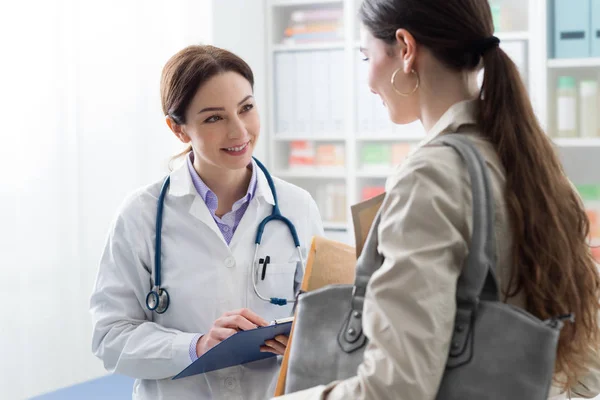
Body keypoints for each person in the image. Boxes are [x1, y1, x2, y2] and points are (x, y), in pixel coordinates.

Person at [275, 0, 600, 399]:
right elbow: (587, 356)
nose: (368, 80)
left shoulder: (432, 176)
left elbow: (395, 389)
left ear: (405, 48)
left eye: (366, 56)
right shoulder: (532, 162)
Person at [90, 45, 324, 400]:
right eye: (214, 118)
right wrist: (197, 346)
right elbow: (109, 337)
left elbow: (325, 323)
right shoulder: (141, 214)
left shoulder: (297, 208)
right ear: (179, 129)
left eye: (246, 108)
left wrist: (301, 340)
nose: (239, 131)